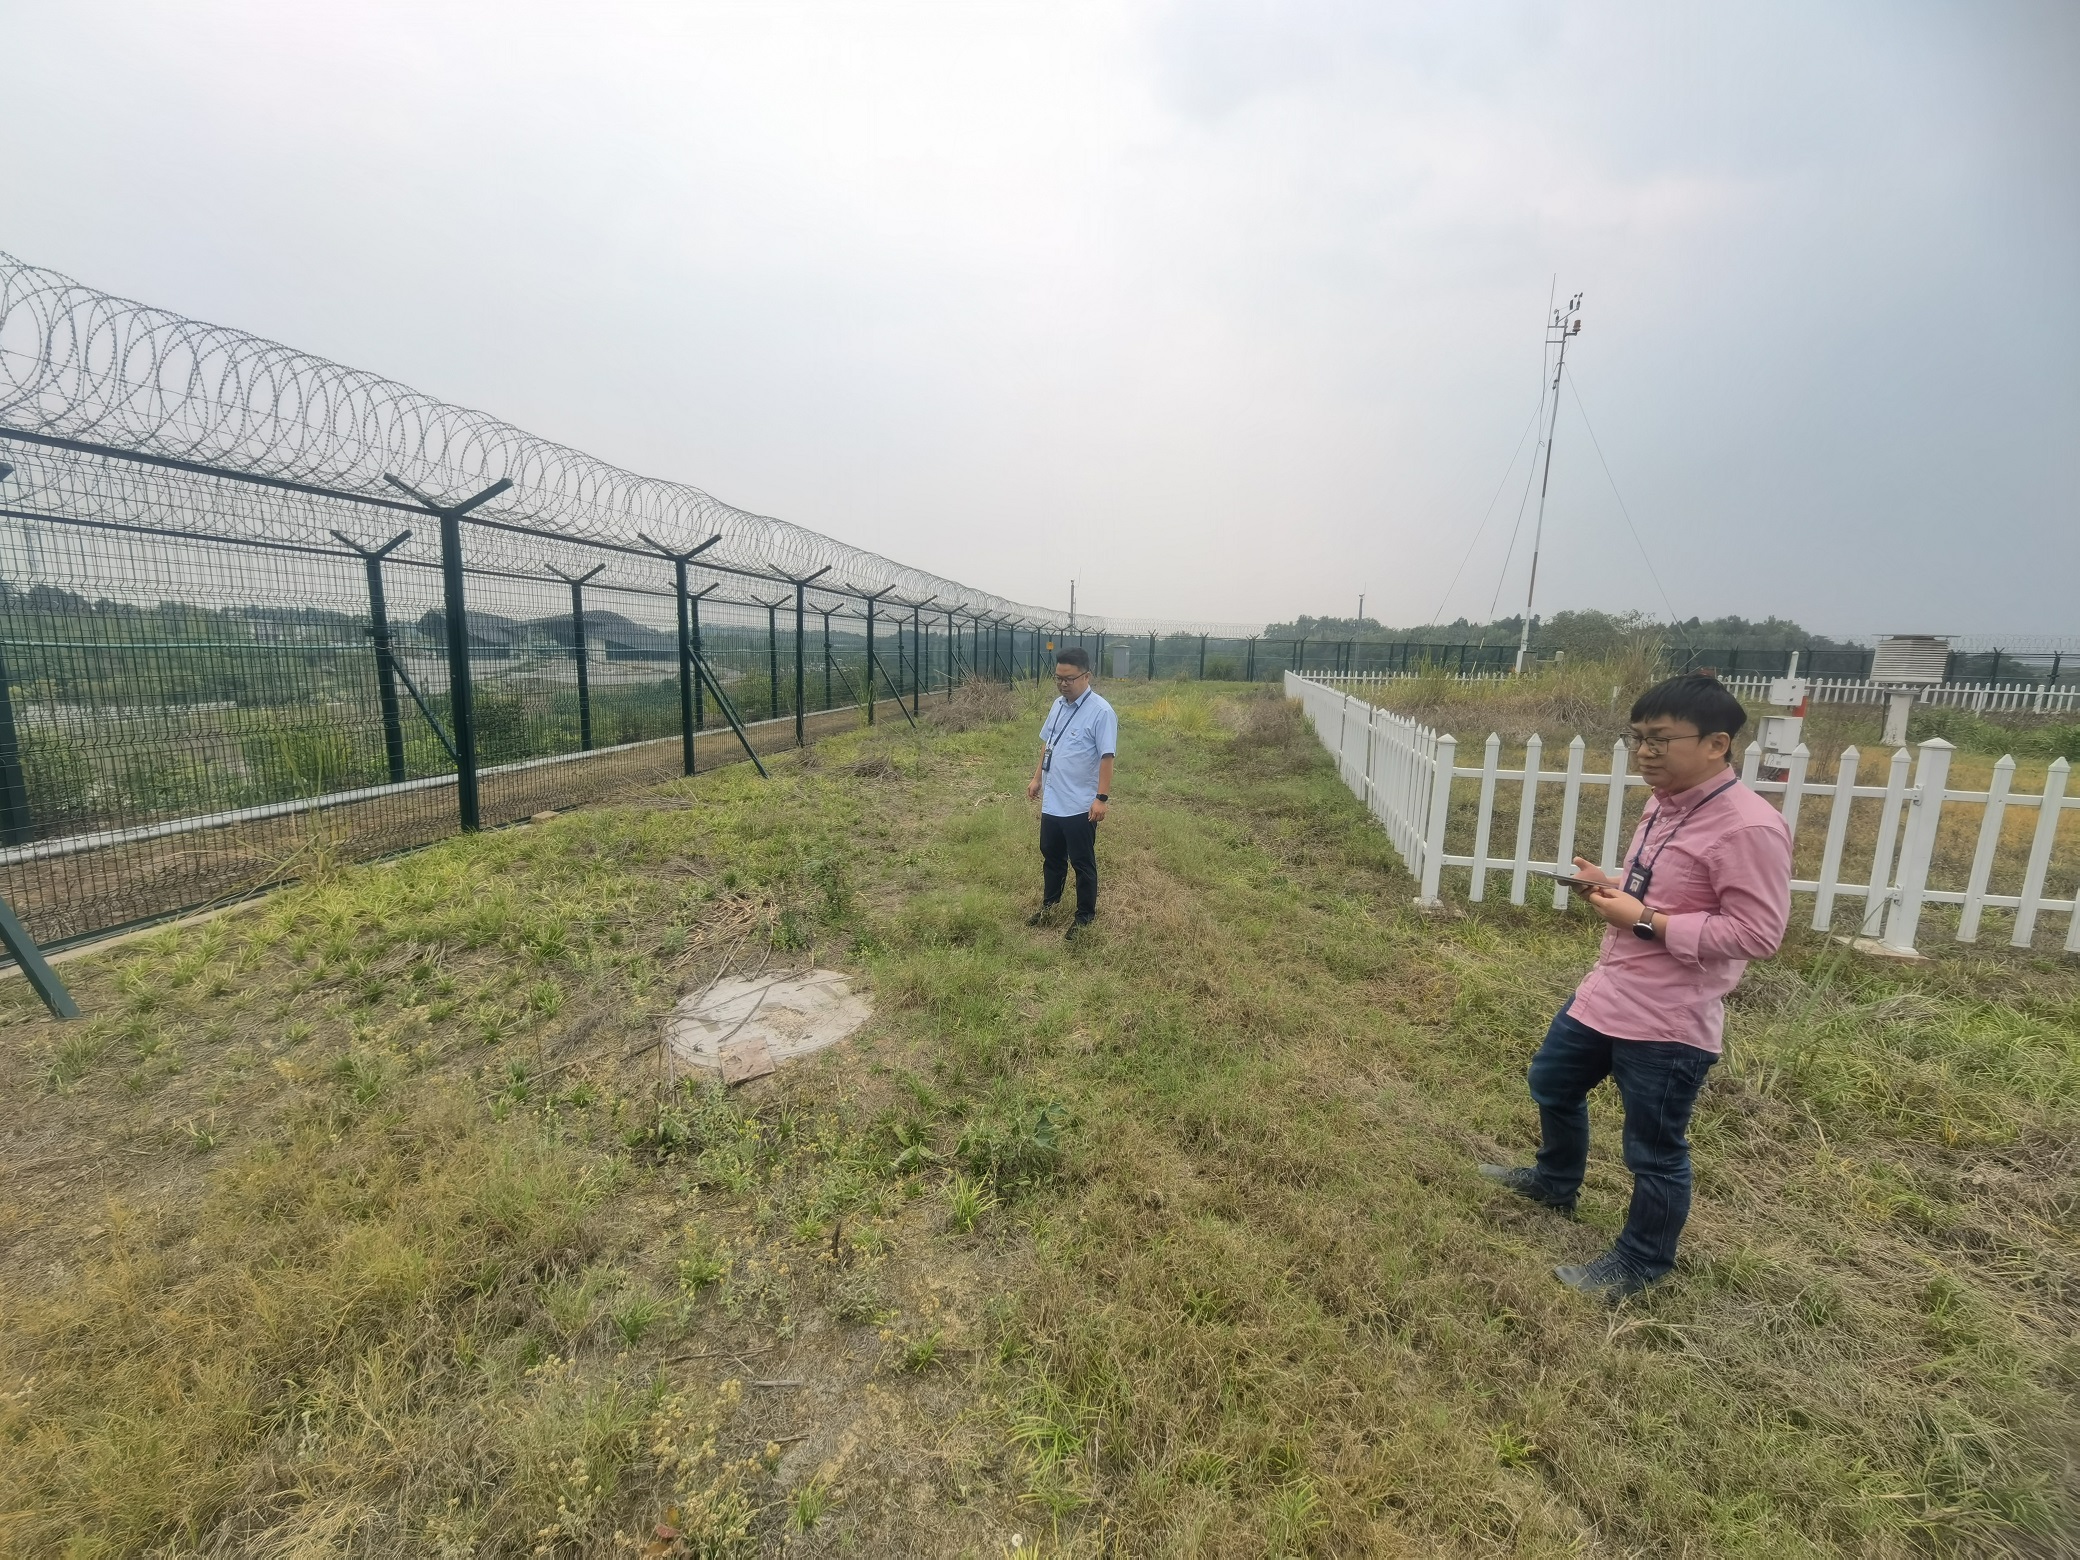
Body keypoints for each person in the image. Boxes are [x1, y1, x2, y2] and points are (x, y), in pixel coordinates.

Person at [1481, 674, 1792, 1300]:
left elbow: (1758, 934)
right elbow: (1663, 882)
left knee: (1653, 1149)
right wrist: (1614, 880)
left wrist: (1647, 920)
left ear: (1716, 744)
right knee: (1552, 1081)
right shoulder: (1665, 803)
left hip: (1670, 1018)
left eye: (1660, 739)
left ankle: (1642, 1260)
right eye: (1638, 740)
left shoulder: (1749, 828)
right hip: (1612, 987)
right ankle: (1554, 1181)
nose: (1645, 753)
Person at [1025, 647, 1117, 939]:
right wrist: (1037, 777)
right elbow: (1047, 744)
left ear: (1087, 676)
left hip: (1080, 804)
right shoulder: (1057, 705)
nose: (1063, 684)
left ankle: (1085, 917)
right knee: (1051, 856)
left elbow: (1107, 757)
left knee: (1082, 861)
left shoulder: (1101, 712)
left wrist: (1101, 799)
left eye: (1070, 679)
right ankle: (1049, 905)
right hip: (1053, 801)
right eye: (1058, 678)